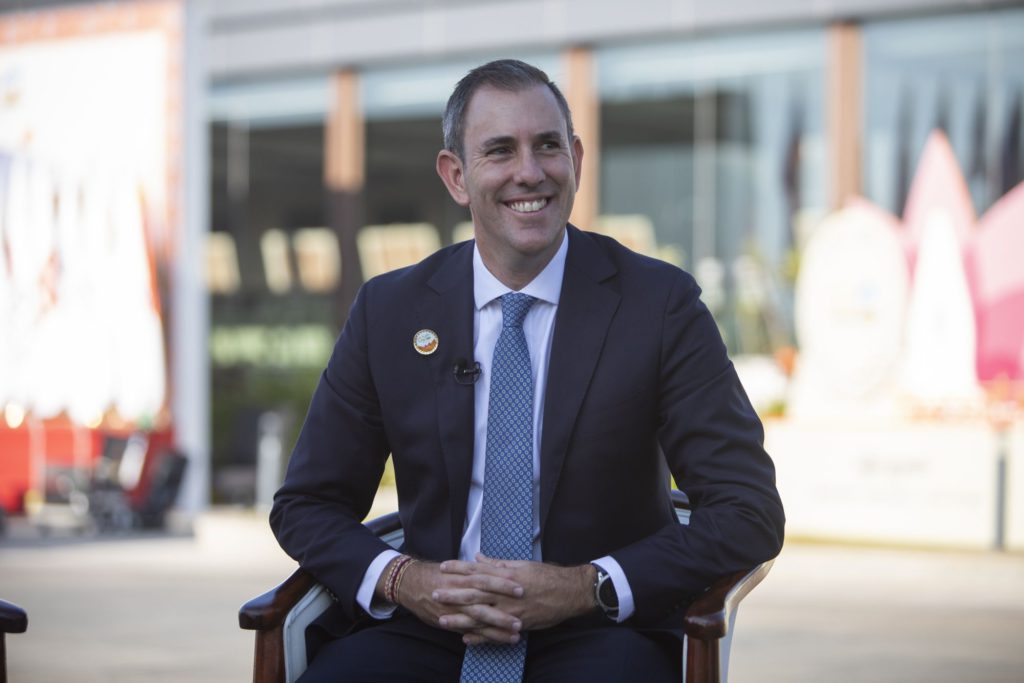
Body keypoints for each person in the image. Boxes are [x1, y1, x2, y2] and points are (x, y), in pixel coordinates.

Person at [271, 58, 784, 683]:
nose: (530, 172)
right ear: (456, 176)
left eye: (547, 146)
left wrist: (585, 586)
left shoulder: (659, 305)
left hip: (602, 630)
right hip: (430, 627)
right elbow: (307, 504)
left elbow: (747, 510)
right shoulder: (390, 311)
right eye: (500, 151)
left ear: (576, 159)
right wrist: (405, 580)